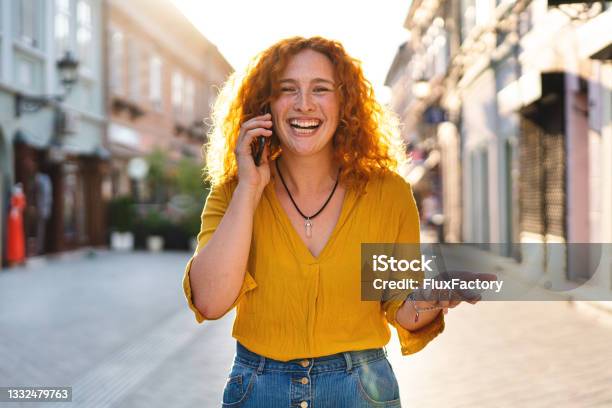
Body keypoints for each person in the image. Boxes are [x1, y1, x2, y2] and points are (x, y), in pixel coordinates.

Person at [183, 36, 490, 407]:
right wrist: (250, 188)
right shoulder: (233, 192)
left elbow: (400, 305)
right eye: (287, 89)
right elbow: (211, 301)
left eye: (321, 89)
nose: (304, 104)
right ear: (265, 105)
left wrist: (430, 298)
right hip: (258, 389)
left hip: (362, 390)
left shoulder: (388, 193)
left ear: (345, 101)